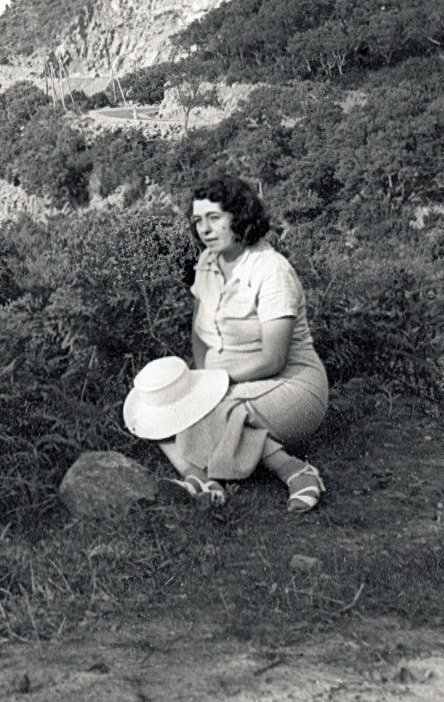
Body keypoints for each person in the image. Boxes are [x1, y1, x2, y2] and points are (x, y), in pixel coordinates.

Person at [124, 176, 328, 511]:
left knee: (213, 409)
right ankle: (201, 479)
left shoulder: (270, 270)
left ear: (239, 216)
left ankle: (293, 469)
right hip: (226, 382)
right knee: (155, 406)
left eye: (214, 218)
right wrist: (200, 378)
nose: (205, 229)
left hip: (290, 386)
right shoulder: (207, 262)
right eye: (197, 221)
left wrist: (211, 386)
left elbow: (273, 359)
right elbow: (199, 330)